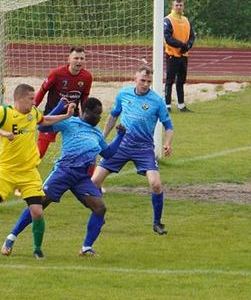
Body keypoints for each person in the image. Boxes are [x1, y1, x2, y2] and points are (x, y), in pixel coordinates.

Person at [1, 98, 125, 258]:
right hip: (63, 172)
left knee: (100, 208)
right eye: (97, 113)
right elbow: (42, 126)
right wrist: (59, 107)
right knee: (38, 205)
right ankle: (11, 238)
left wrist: (120, 136)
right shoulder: (70, 123)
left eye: (100, 114)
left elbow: (107, 154)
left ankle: (86, 247)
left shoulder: (96, 133)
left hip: (82, 178)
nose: (99, 117)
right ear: (86, 111)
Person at [91, 66, 174, 235]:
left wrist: (167, 142)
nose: (145, 84)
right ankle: (98, 214)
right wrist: (103, 137)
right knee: (94, 181)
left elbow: (168, 125)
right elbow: (113, 115)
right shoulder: (124, 94)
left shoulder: (157, 101)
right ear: (135, 78)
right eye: (142, 80)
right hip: (121, 145)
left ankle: (157, 223)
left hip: (144, 149)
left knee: (155, 184)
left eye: (148, 82)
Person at [0, 84, 75, 259]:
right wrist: (3, 132)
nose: (34, 102)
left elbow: (45, 120)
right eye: (31, 99)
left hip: (29, 173)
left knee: (38, 211)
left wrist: (66, 115)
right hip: (6, 171)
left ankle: (37, 249)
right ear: (19, 99)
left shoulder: (33, 113)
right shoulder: (5, 113)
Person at [34, 46, 92, 158]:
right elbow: (42, 91)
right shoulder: (56, 74)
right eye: (76, 58)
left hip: (72, 117)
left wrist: (85, 117)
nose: (79, 61)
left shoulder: (87, 77)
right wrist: (33, 106)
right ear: (69, 59)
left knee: (78, 151)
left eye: (82, 58)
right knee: (39, 153)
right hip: (52, 115)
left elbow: (84, 98)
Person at [164, 0, 196, 113]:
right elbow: (168, 38)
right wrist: (181, 45)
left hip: (184, 55)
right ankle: (167, 105)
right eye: (176, 5)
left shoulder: (186, 20)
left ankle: (181, 105)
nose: (178, 7)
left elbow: (192, 36)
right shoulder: (168, 20)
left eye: (180, 5)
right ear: (172, 6)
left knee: (181, 80)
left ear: (183, 6)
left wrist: (187, 46)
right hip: (172, 55)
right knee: (170, 80)